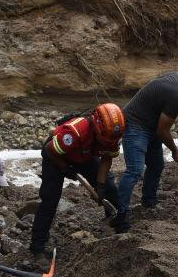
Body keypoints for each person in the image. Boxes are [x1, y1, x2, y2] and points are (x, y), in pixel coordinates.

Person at [116, 65, 178, 225]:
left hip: (151, 124)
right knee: (135, 170)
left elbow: (161, 128)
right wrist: (175, 151)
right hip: (135, 123)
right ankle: (119, 213)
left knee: (156, 165)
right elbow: (163, 131)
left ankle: (149, 201)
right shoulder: (175, 94)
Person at [30, 103, 125, 255]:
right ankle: (37, 245)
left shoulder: (112, 134)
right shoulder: (75, 131)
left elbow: (106, 158)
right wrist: (65, 168)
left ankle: (119, 224)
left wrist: (100, 185)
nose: (108, 143)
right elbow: (48, 149)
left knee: (109, 187)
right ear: (96, 127)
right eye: (104, 140)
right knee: (50, 200)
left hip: (85, 155)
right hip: (56, 156)